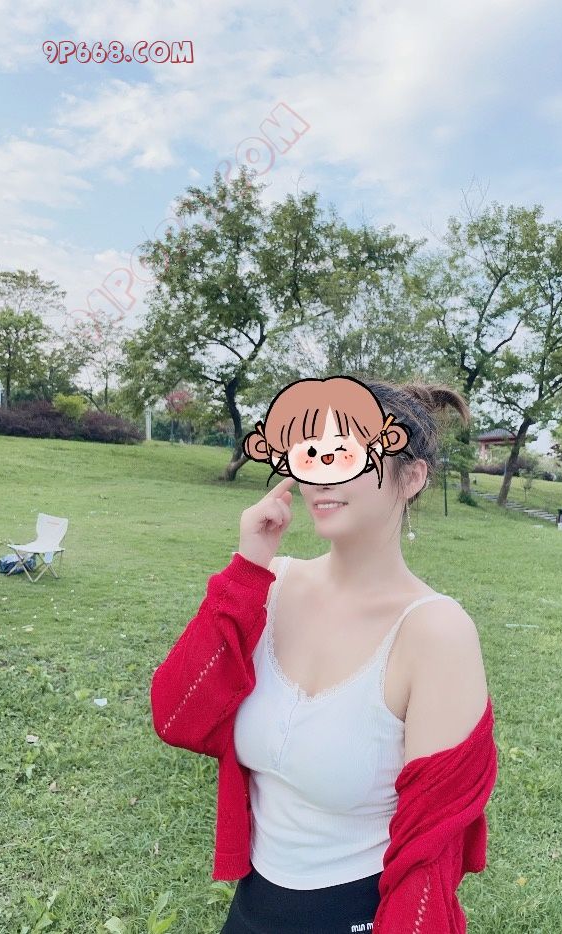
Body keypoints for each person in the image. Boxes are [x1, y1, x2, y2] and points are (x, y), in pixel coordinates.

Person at [216, 378, 491, 933]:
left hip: (356, 914)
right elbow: (179, 715)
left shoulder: (436, 633)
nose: (321, 476)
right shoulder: (270, 582)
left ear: (411, 478)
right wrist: (244, 572)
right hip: (250, 909)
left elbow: (430, 846)